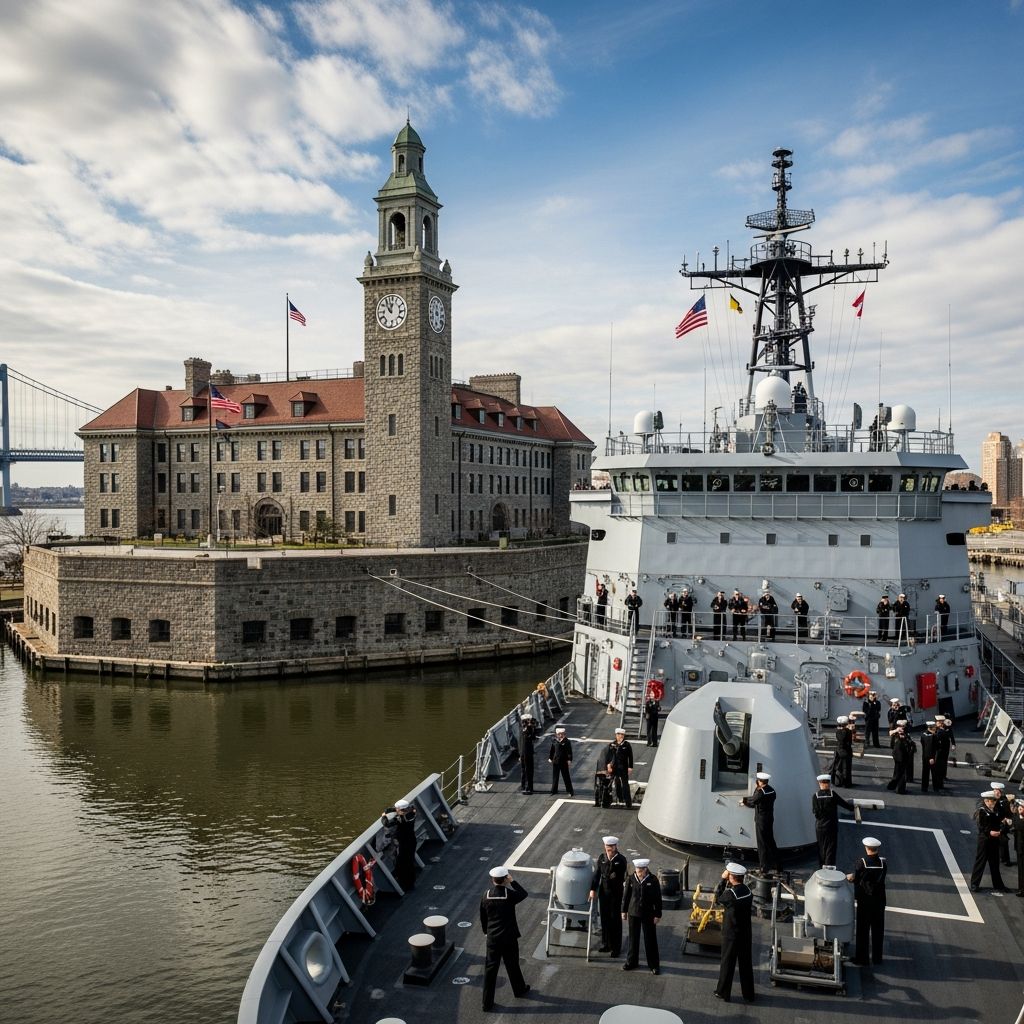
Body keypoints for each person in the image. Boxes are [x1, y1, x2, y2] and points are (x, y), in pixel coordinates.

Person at [479, 866, 531, 1011]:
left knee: (490, 970)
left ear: (492, 880)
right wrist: (513, 881)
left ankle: (487, 1003)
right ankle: (519, 989)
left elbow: (483, 917)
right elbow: (523, 894)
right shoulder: (509, 895)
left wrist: (486, 932)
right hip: (508, 937)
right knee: (512, 964)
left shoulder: (486, 895)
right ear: (505, 879)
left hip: (493, 938)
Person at [713, 863, 755, 1003]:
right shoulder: (748, 891)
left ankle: (723, 992)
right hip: (745, 933)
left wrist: (722, 879)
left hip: (731, 935)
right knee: (746, 964)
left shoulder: (731, 894)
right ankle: (748, 994)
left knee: (727, 963)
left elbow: (718, 897)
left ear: (731, 877)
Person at [847, 837, 887, 965]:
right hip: (879, 901)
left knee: (863, 930)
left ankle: (862, 958)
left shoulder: (861, 863)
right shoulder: (883, 864)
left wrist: (851, 878)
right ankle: (877, 958)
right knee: (878, 929)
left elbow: (858, 879)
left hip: (865, 901)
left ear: (866, 848)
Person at [621, 857, 662, 974]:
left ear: (645, 869)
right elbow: (626, 896)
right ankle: (631, 962)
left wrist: (657, 914)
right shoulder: (631, 879)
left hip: (648, 914)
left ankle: (654, 965)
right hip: (633, 913)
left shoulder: (653, 880)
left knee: (650, 939)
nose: (638, 873)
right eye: (637, 870)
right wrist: (623, 911)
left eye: (640, 871)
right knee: (633, 939)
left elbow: (657, 899)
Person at [589, 836, 628, 956]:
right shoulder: (602, 858)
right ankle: (606, 944)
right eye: (608, 846)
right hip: (604, 893)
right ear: (605, 846)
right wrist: (593, 889)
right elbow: (597, 874)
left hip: (615, 894)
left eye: (612, 846)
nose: (610, 848)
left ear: (616, 847)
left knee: (615, 920)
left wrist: (612, 868)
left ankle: (616, 948)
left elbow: (620, 875)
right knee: (605, 919)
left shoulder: (621, 860)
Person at [970, 791, 1010, 893]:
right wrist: (990, 832)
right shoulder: (982, 811)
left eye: (993, 801)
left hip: (994, 840)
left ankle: (998, 885)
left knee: (994, 863)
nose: (992, 803)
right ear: (985, 801)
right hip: (985, 840)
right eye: (990, 801)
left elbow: (1003, 816)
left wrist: (1002, 827)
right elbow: (982, 826)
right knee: (980, 862)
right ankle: (974, 884)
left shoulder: (996, 810)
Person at [812, 774, 855, 867]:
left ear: (820, 783)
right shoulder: (833, 795)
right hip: (831, 826)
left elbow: (816, 813)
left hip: (820, 827)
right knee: (830, 848)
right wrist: (852, 808)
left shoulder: (815, 796)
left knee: (821, 847)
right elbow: (844, 804)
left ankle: (821, 866)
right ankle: (829, 867)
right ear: (829, 783)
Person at [740, 772, 778, 874]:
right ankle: (777, 864)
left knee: (762, 844)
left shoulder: (761, 792)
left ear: (760, 781)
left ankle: (764, 867)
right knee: (770, 842)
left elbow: (753, 800)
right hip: (769, 819)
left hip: (761, 820)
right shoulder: (772, 791)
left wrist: (744, 800)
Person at [380, 798, 417, 891]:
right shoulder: (412, 812)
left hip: (405, 844)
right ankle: (409, 882)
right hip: (412, 841)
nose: (396, 810)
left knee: (403, 863)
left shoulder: (402, 819)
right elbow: (402, 810)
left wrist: (384, 815)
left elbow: (386, 824)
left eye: (397, 809)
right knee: (409, 862)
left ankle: (407, 884)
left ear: (402, 811)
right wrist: (393, 810)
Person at [604, 727, 635, 808]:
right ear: (616, 735)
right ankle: (620, 798)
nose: (620, 736)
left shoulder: (627, 744)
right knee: (616, 783)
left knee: (625, 784)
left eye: (622, 734)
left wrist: (630, 767)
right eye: (618, 734)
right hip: (614, 767)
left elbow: (630, 756)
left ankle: (628, 803)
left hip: (624, 767)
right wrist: (608, 766)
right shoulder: (612, 745)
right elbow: (608, 757)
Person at [886, 723, 915, 794]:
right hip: (900, 756)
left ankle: (895, 787)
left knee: (899, 772)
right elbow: (890, 733)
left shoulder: (905, 734)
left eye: (903, 726)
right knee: (901, 773)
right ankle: (899, 789)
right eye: (901, 726)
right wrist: (896, 731)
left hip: (902, 756)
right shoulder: (896, 734)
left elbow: (909, 742)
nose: (902, 728)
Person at [548, 725, 574, 797]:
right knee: (555, 777)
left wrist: (569, 760)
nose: (561, 735)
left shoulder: (567, 742)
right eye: (559, 734)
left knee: (566, 777)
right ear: (556, 734)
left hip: (564, 762)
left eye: (562, 734)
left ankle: (570, 791)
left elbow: (569, 752)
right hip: (556, 761)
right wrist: (550, 758)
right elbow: (552, 750)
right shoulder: (554, 741)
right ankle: (554, 790)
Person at [933, 715, 956, 792]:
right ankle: (938, 780)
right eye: (938, 722)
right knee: (939, 765)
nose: (937, 723)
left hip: (945, 749)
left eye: (939, 722)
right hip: (939, 750)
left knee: (944, 763)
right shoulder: (937, 729)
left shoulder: (947, 728)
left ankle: (943, 776)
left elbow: (951, 735)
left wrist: (953, 744)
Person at [993, 782, 1013, 866]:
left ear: (1000, 792)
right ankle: (1002, 858)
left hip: (1003, 824)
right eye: (994, 790)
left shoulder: (1004, 801)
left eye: (997, 791)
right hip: (995, 823)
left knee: (1003, 841)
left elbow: (1008, 814)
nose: (995, 792)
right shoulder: (994, 799)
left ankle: (1005, 859)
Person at [519, 713, 538, 794]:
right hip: (523, 753)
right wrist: (520, 755)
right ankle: (523, 786)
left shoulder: (529, 729)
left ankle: (529, 788)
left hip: (528, 753)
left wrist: (530, 725)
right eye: (523, 722)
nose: (523, 723)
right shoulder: (523, 729)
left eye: (525, 721)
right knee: (524, 770)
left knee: (528, 770)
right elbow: (520, 743)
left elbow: (533, 737)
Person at [833, 716, 854, 786]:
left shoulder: (839, 732)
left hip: (841, 751)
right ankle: (847, 782)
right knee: (846, 768)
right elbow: (848, 741)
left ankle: (841, 781)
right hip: (846, 751)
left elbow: (841, 739)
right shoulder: (848, 731)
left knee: (840, 767)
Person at [920, 720, 938, 793]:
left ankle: (924, 787)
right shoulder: (931, 736)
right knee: (934, 773)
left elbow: (923, 745)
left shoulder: (923, 735)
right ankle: (935, 788)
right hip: (931, 757)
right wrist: (931, 757)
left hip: (924, 756)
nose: (935, 728)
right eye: (934, 727)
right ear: (930, 728)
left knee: (925, 772)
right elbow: (930, 747)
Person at [1011, 801, 1024, 896]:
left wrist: (1021, 817)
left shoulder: (1020, 818)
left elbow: (1020, 826)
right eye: (1019, 807)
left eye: (1022, 808)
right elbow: (1014, 825)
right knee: (1021, 870)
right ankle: (1021, 889)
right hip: (1019, 847)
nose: (1020, 809)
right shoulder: (1016, 816)